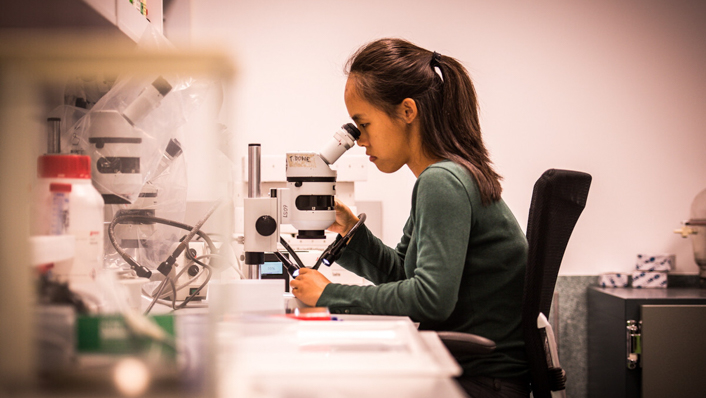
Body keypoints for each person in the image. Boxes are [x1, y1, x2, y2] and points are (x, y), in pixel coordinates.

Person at [289, 38, 530, 398]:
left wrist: (329, 294)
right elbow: (405, 275)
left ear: (407, 111)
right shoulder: (444, 177)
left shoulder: (441, 182)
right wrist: (352, 231)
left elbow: (431, 298)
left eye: (363, 124)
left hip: (482, 383)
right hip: (482, 376)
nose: (358, 140)